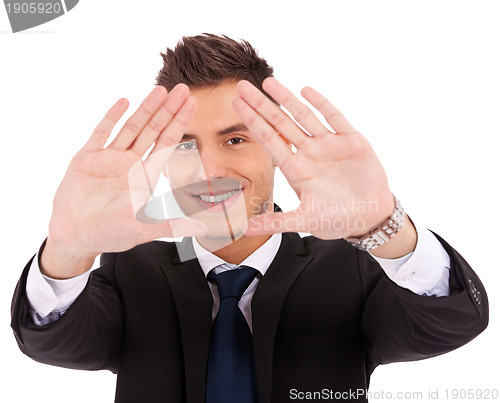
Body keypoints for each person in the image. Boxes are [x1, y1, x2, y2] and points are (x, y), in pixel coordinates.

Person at [11, 34, 488, 403]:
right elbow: (54, 346)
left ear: (278, 149)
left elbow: (449, 324)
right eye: (184, 145)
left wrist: (382, 225)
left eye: (235, 140)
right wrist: (68, 252)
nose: (210, 171)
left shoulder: (352, 268)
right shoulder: (127, 270)